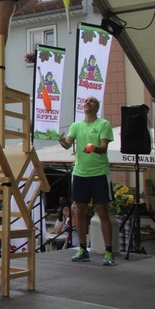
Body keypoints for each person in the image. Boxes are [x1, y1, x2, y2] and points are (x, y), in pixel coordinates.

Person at [58, 96, 115, 265]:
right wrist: (62, 141)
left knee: (102, 212)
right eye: (86, 102)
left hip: (99, 173)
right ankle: (82, 249)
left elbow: (104, 147)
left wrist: (94, 148)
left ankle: (109, 252)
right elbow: (68, 144)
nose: (87, 103)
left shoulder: (103, 124)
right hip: (80, 173)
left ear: (97, 107)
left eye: (92, 102)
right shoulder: (76, 126)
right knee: (79, 211)